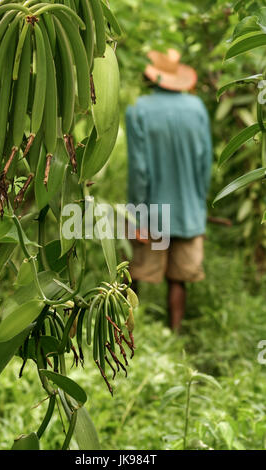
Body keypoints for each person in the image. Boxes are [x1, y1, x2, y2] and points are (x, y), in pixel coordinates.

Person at [126, 49, 213, 331]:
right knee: (179, 278)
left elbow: (139, 169)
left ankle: (127, 333)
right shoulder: (197, 108)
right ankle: (174, 333)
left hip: (152, 211)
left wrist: (136, 214)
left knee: (134, 275)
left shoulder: (137, 108)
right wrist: (199, 203)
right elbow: (204, 163)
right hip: (188, 210)